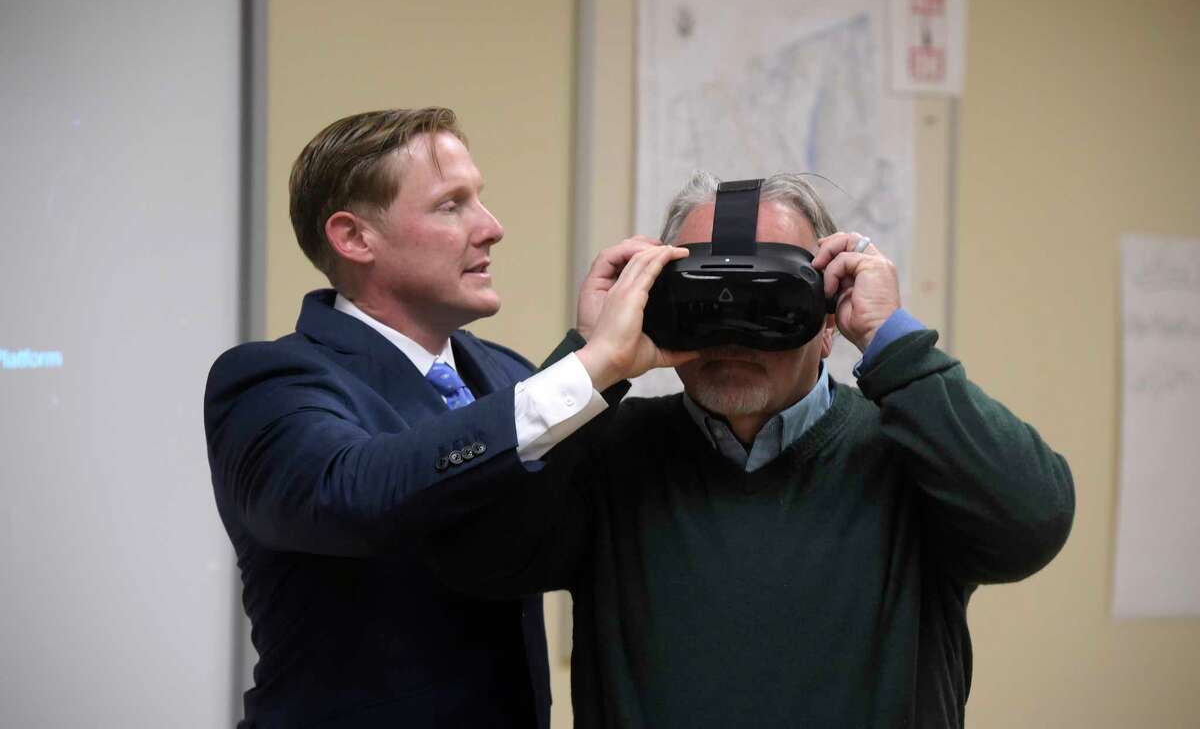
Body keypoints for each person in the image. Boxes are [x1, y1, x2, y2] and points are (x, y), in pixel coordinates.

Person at [426, 171, 1076, 729]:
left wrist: (892, 344)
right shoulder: (609, 454)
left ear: (827, 320)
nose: (733, 331)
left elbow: (1033, 520)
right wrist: (591, 360)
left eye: (772, 300)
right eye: (704, 300)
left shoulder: (910, 450)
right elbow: (480, 556)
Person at [203, 107, 690, 728]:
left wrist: (590, 354)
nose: (492, 228)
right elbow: (355, 492)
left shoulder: (512, 376)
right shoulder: (267, 382)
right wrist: (588, 369)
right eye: (451, 205)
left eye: (478, 200)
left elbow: (554, 526)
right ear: (354, 238)